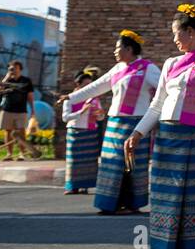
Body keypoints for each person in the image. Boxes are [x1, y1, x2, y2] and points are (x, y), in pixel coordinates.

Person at [126, 4, 195, 249]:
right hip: (168, 134)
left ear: (190, 32)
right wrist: (138, 132)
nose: (174, 39)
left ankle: (191, 247)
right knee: (165, 191)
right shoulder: (171, 63)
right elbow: (157, 103)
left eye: (176, 33)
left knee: (191, 192)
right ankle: (165, 247)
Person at [63, 30, 160, 214]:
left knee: (132, 165)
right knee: (111, 164)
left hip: (137, 124)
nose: (115, 51)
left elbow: (165, 88)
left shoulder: (148, 68)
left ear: (129, 49)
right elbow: (96, 87)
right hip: (114, 124)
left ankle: (132, 203)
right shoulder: (117, 69)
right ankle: (110, 204)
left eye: (118, 48)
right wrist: (70, 97)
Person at [61, 67, 105, 196]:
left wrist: (100, 114)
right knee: (73, 161)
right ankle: (71, 187)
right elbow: (65, 118)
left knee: (88, 161)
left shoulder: (94, 99)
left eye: (90, 85)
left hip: (90, 132)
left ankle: (84, 186)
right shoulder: (70, 99)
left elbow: (100, 116)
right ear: (78, 84)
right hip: (75, 132)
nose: (88, 88)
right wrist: (82, 111)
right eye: (85, 85)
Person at [0, 60, 39, 160]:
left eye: (15, 68)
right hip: (7, 109)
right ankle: (9, 154)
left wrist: (33, 110)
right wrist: (6, 77)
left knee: (21, 132)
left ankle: (22, 154)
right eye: (11, 68)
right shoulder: (6, 80)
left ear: (20, 69)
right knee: (7, 132)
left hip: (21, 110)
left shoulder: (26, 81)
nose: (13, 70)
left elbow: (30, 96)